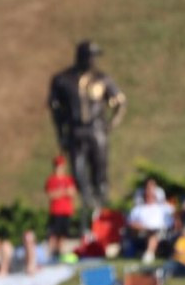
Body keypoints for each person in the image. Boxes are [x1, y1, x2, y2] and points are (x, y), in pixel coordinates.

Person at [48, 40, 127, 217]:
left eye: (94, 57)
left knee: (100, 169)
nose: (92, 60)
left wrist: (110, 124)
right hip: (75, 130)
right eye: (90, 56)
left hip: (96, 129)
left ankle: (102, 208)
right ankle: (87, 206)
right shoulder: (63, 79)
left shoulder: (102, 79)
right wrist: (61, 133)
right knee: (78, 170)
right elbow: (55, 108)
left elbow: (120, 103)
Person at [127, 184, 175, 265]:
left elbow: (174, 217)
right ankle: (149, 254)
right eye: (147, 195)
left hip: (161, 231)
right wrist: (142, 227)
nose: (149, 197)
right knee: (151, 233)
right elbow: (130, 223)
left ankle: (149, 254)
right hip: (142, 231)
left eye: (152, 195)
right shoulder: (138, 209)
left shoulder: (163, 208)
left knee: (154, 234)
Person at [44, 155, 77, 258]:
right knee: (53, 234)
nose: (59, 168)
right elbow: (51, 194)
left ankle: (59, 253)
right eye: (58, 166)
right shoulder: (51, 180)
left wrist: (61, 192)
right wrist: (63, 192)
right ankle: (50, 254)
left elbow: (72, 192)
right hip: (56, 211)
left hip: (66, 211)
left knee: (63, 234)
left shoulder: (68, 179)